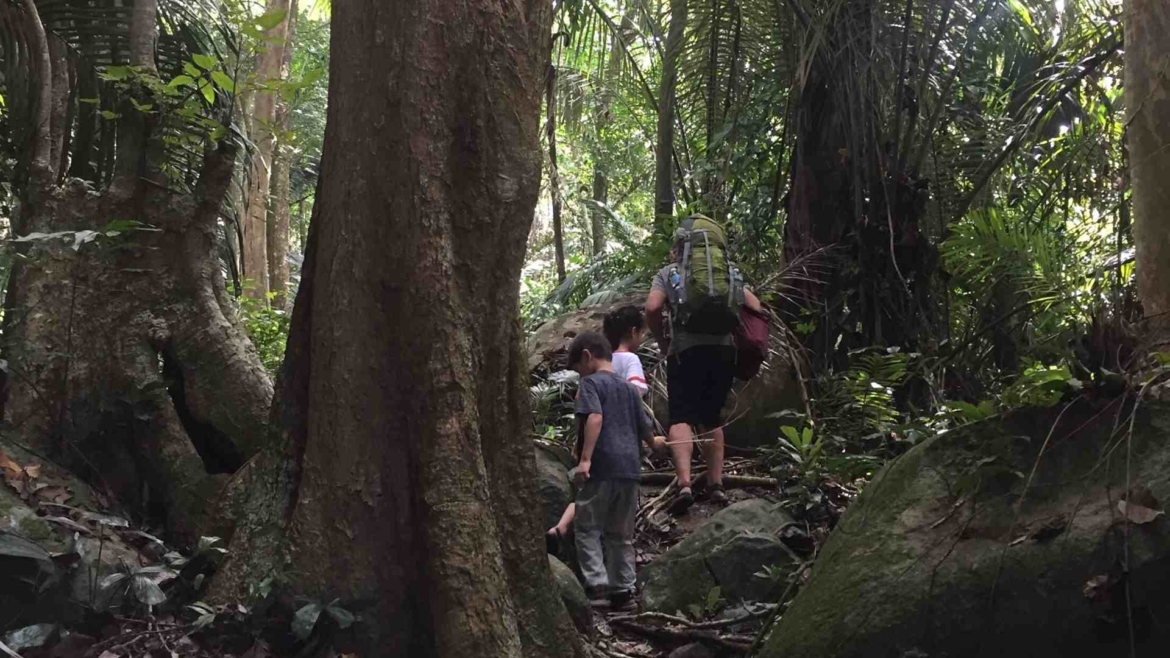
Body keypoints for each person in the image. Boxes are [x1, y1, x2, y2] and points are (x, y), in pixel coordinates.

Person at [645, 223, 762, 516]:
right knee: (712, 418)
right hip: (723, 351)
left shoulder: (669, 273)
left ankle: (684, 485)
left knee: (682, 415)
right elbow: (755, 306)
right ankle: (716, 484)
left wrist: (662, 341)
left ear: (678, 249)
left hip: (684, 350)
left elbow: (652, 307)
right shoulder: (728, 273)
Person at [565, 331, 657, 611]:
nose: (580, 375)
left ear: (587, 357)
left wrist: (585, 460)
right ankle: (623, 590)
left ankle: (598, 586)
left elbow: (594, 417)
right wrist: (656, 443)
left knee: (588, 527)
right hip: (629, 469)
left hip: (602, 467)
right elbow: (645, 430)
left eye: (578, 369)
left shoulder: (591, 384)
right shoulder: (629, 389)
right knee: (621, 533)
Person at [603, 305, 650, 396]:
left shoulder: (607, 359)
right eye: (641, 333)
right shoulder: (631, 359)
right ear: (634, 332)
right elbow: (635, 392)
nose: (642, 338)